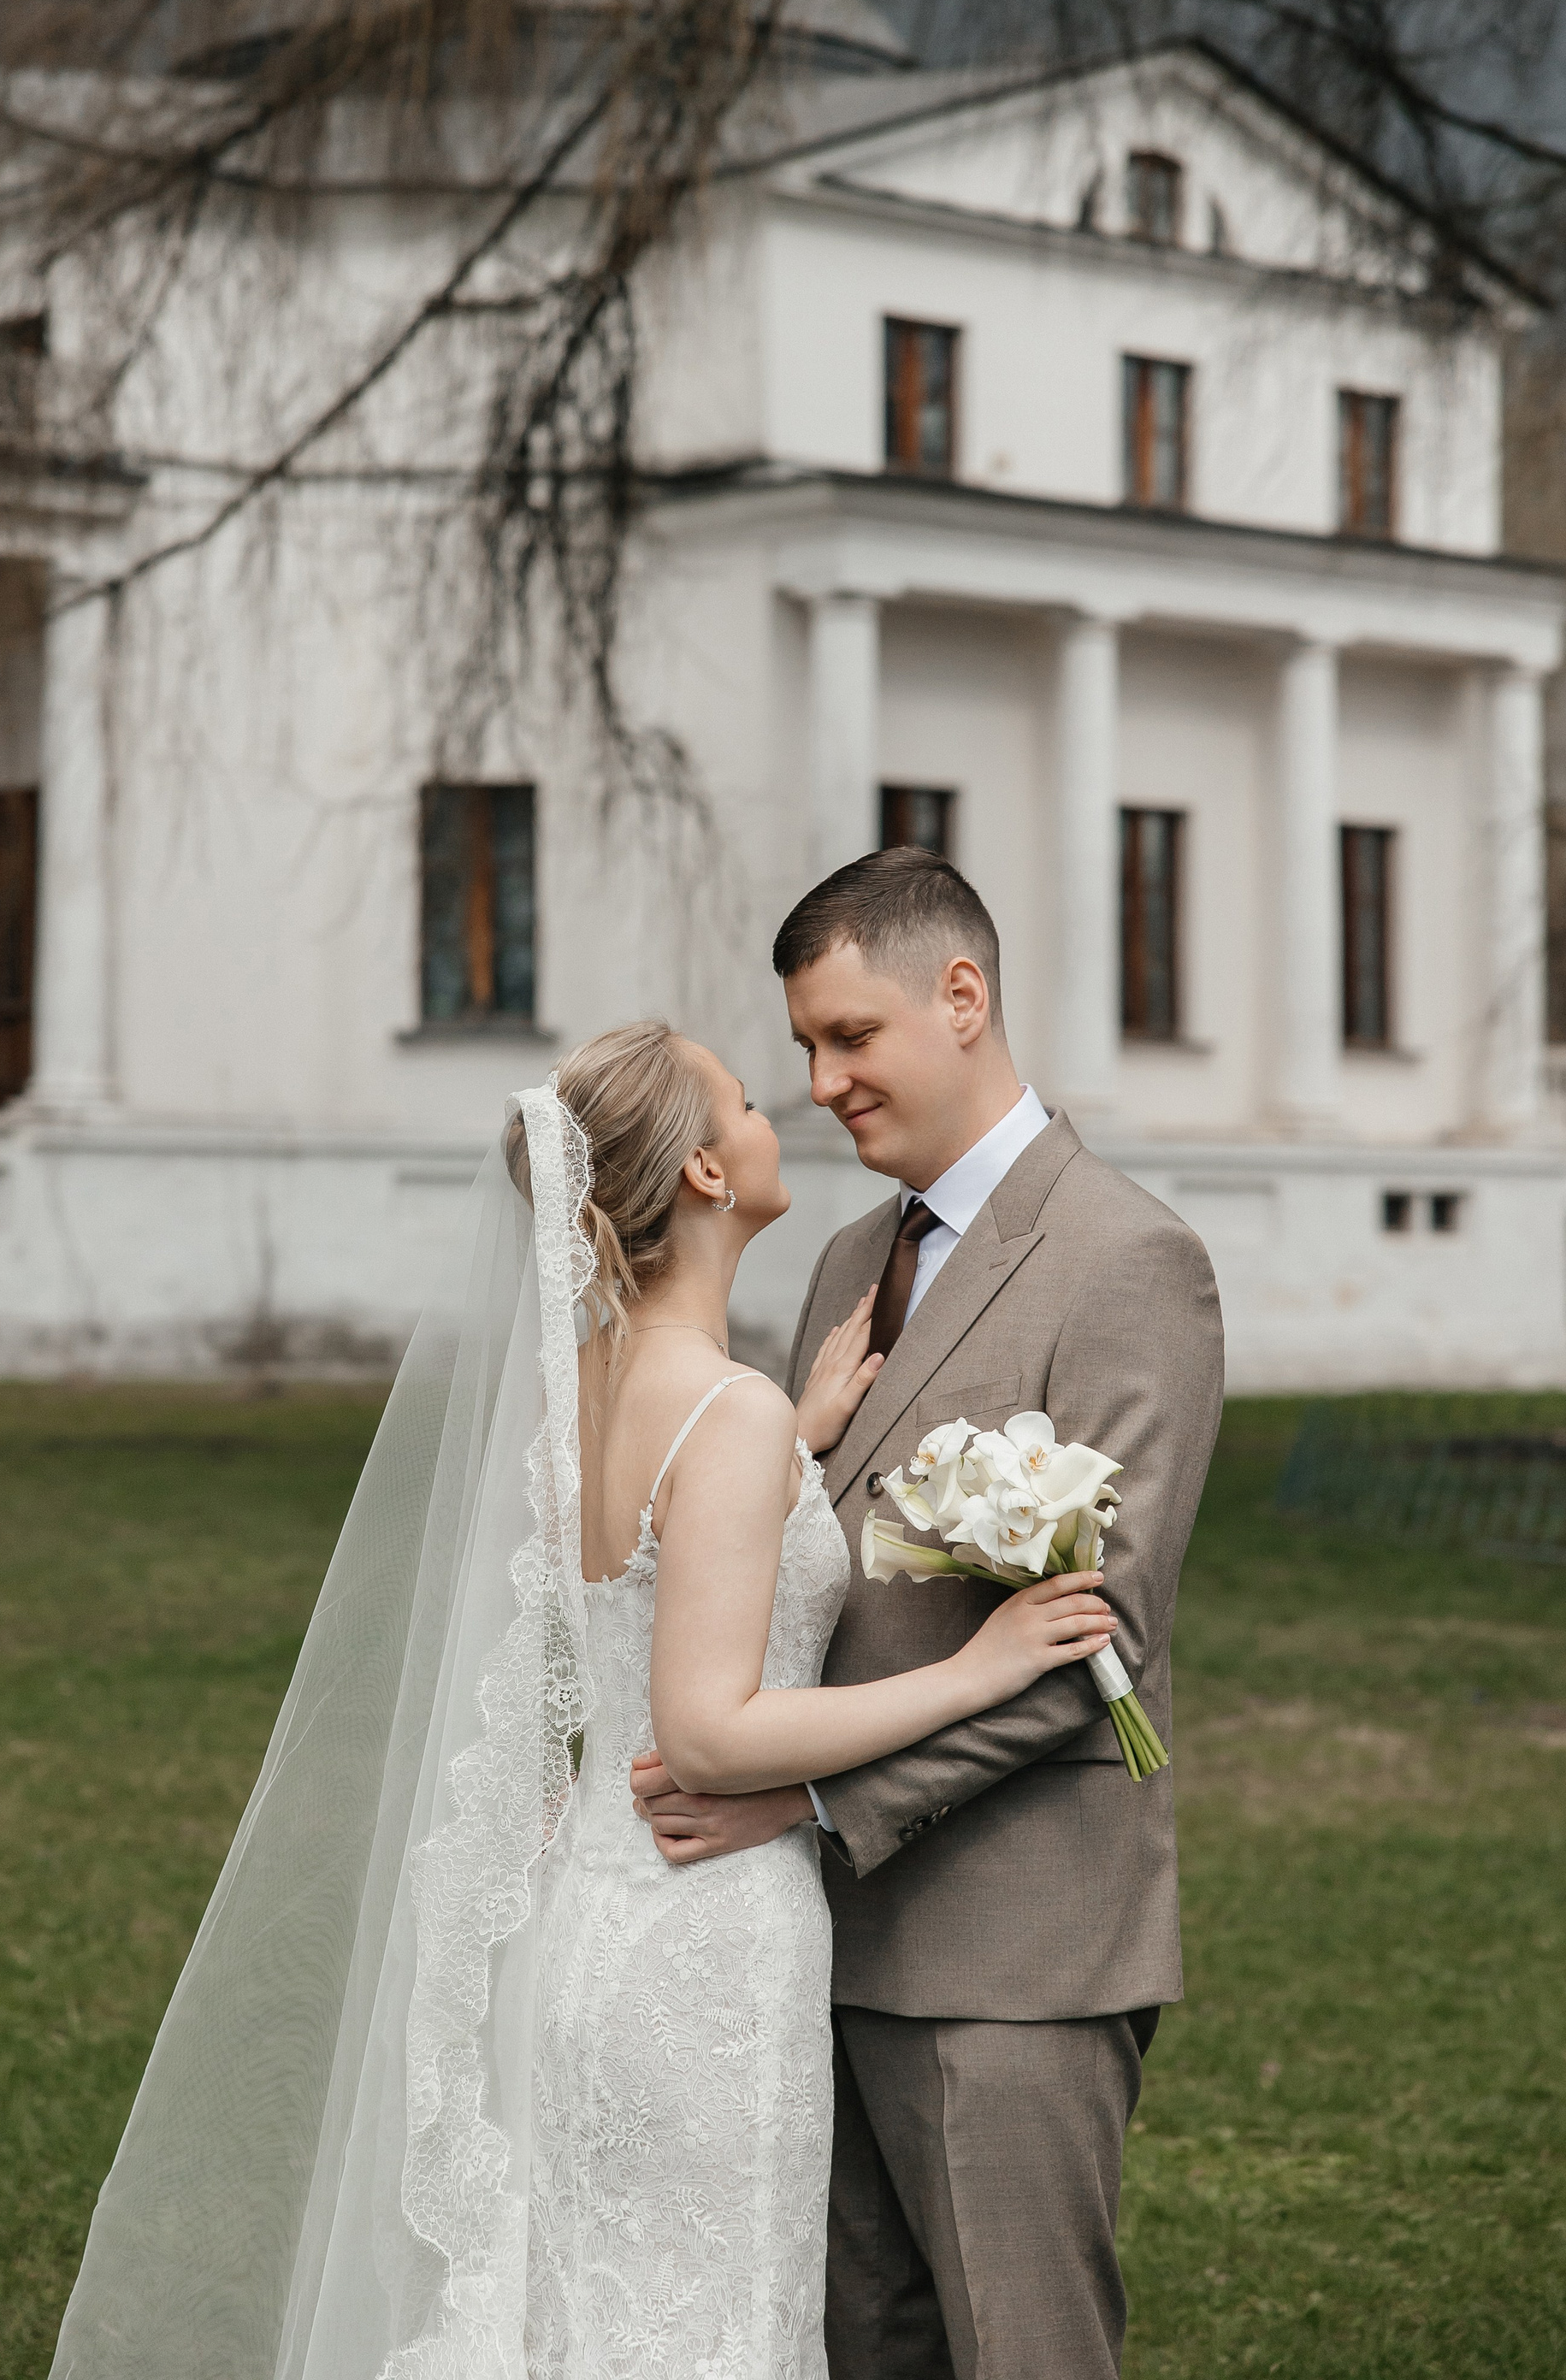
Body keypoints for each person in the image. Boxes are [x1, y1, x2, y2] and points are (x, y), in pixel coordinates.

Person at [44, 1012, 1114, 2380]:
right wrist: (975, 1671)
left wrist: (795, 1442)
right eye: (745, 1101)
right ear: (707, 1173)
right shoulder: (722, 1412)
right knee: (705, 2325)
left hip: (592, 1919)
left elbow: (653, 1574)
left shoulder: (593, 1395)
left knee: (591, 2314)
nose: (777, 1109)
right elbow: (709, 1732)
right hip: (707, 1943)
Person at [631, 847, 1226, 2380]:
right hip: (796, 1948)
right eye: (804, 1049)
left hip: (1004, 1953)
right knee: (856, 2351)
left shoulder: (1128, 1259)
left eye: (850, 1037)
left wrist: (813, 1803)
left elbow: (1096, 1651)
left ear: (962, 997)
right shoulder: (848, 1258)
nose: (821, 1084)